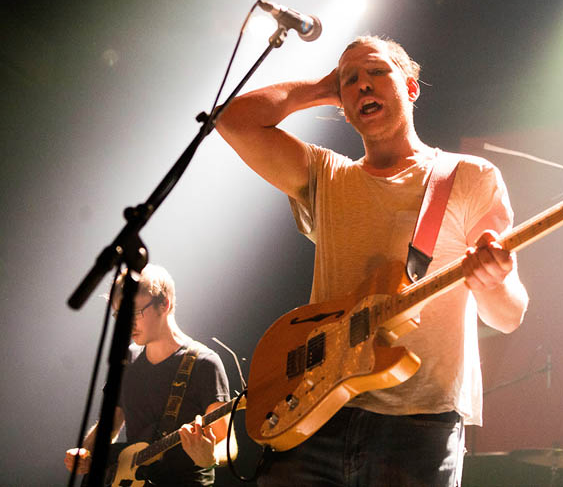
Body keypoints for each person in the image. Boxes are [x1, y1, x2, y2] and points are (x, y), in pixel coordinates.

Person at [217, 35, 529, 486]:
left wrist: (493, 282)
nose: (363, 84)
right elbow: (233, 121)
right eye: (351, 80)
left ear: (411, 87)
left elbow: (509, 315)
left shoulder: (469, 176)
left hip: (418, 425)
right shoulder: (326, 175)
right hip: (314, 412)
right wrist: (325, 88)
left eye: (377, 72)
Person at [64, 264, 233, 487]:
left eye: (135, 313)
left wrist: (210, 458)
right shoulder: (128, 360)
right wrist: (85, 454)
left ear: (165, 304)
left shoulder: (204, 363)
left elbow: (228, 444)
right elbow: (110, 424)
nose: (126, 324)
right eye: (120, 315)